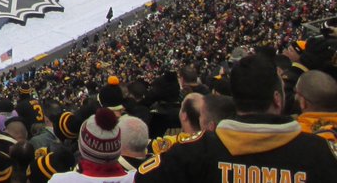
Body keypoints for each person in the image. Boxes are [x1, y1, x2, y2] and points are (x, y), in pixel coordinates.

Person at [135, 54, 335, 182]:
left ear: (236, 99)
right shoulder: (321, 153)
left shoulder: (194, 151)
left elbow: (142, 178)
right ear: (277, 99)